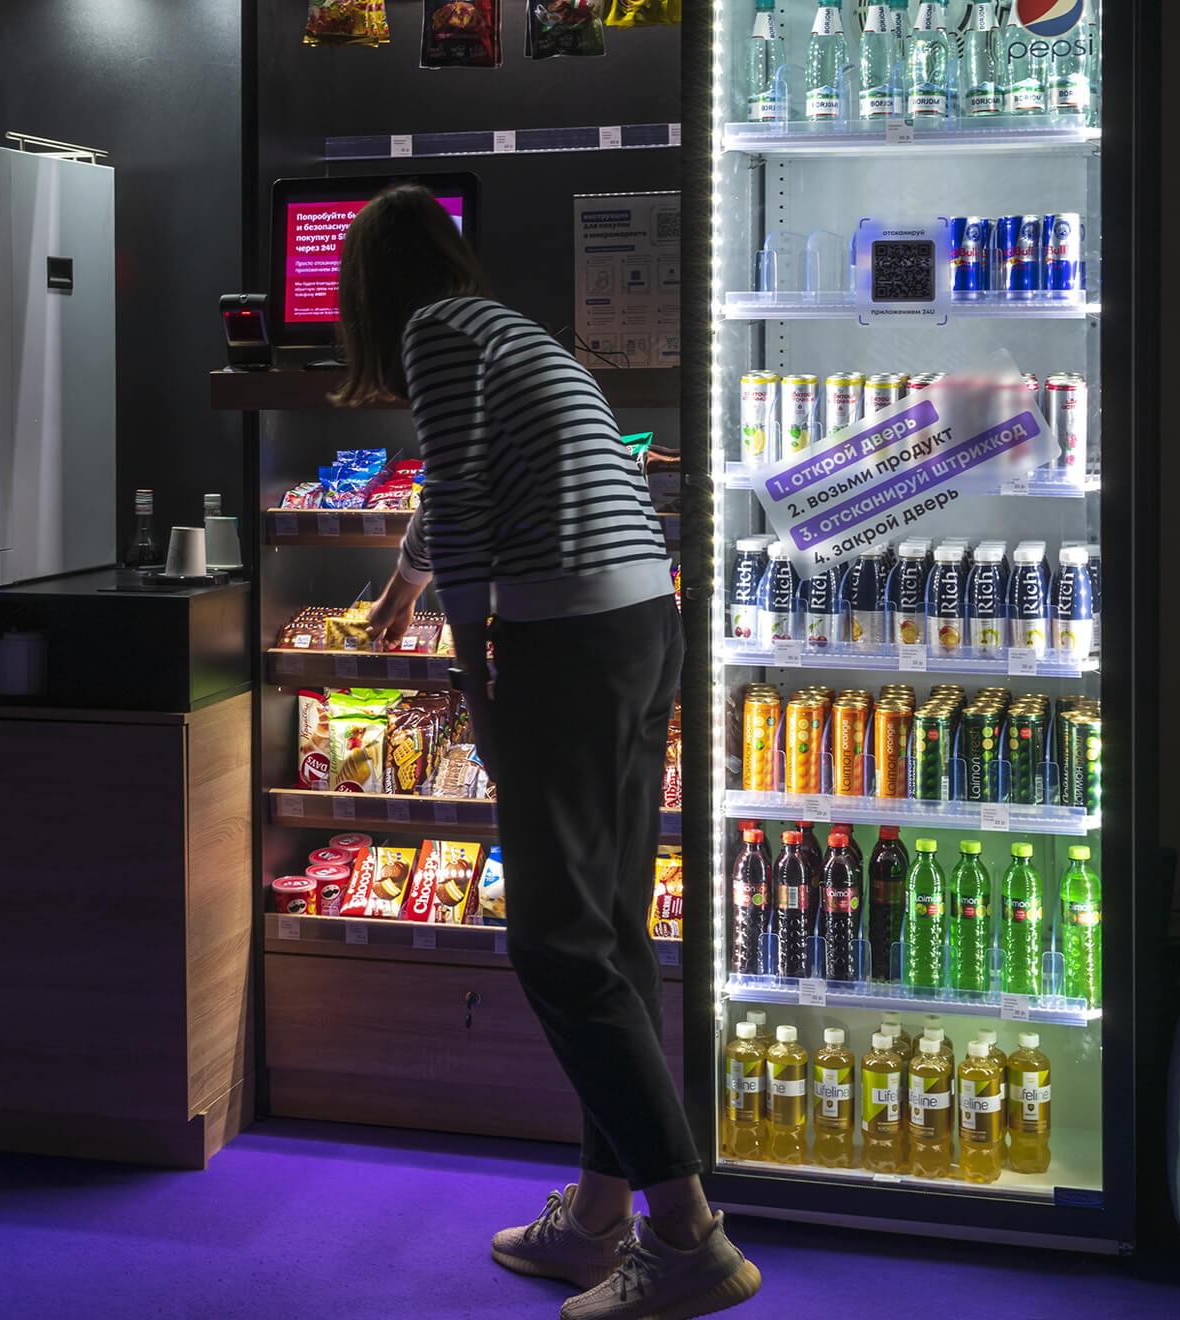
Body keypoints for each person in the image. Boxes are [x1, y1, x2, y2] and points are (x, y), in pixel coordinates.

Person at [339, 186, 760, 1320]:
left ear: (371, 287)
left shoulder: (431, 334)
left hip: (561, 639)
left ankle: (686, 1236)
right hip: (639, 622)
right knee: (612, 927)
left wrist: (474, 675)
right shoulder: (508, 330)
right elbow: (454, 491)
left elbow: (467, 504)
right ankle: (598, 1215)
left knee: (557, 942)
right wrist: (399, 599)